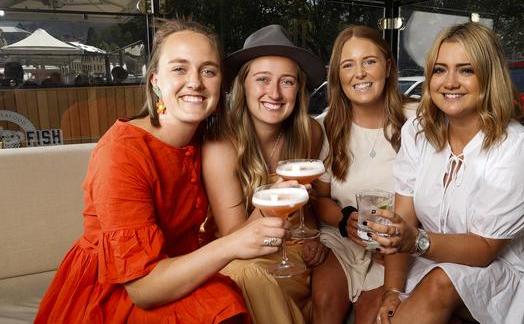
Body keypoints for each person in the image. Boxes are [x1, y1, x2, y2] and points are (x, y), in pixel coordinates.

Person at [35, 19, 293, 323]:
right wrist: (231, 245)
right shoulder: (122, 153)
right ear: (155, 81)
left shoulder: (205, 142)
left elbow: (233, 230)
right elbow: (143, 289)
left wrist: (277, 199)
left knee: (232, 301)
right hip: (116, 292)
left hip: (177, 270)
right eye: (179, 69)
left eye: (208, 71)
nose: (195, 82)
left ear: (220, 84)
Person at [369, 22, 524, 324]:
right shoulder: (418, 132)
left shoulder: (517, 148)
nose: (450, 82)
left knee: (440, 283)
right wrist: (392, 291)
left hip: (500, 270)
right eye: (439, 70)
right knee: (373, 306)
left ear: (489, 77)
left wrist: (416, 241)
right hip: (432, 258)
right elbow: (403, 220)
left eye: (466, 70)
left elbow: (485, 249)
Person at [202, 24, 328, 324]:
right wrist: (275, 199)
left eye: (287, 82)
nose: (274, 93)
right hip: (243, 253)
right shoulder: (221, 145)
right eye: (262, 79)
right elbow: (235, 237)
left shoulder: (309, 131)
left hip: (292, 252)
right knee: (245, 278)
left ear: (298, 90)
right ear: (242, 85)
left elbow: (307, 210)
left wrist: (314, 238)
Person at [310, 25, 414, 324]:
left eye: (369, 61)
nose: (360, 73)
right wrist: (345, 220)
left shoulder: (417, 121)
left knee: (371, 315)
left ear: (388, 66)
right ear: (338, 76)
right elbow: (320, 198)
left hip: (396, 244)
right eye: (348, 65)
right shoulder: (326, 126)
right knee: (325, 303)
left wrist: (398, 244)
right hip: (343, 239)